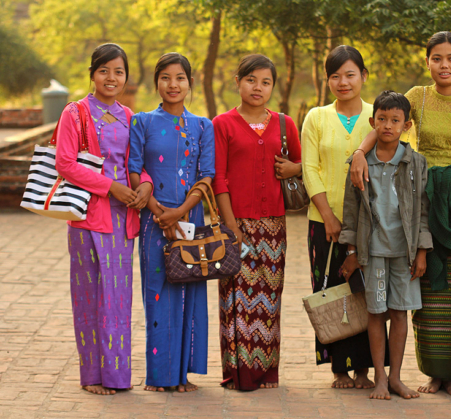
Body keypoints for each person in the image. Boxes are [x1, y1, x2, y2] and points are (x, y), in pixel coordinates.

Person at [350, 31, 451, 396]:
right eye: (437, 58)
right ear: (427, 61)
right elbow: (386, 125)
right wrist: (358, 154)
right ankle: (430, 372)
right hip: (419, 202)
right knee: (425, 294)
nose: (444, 65)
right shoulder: (418, 96)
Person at [56, 43, 153, 395]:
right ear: (92, 74)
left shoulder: (130, 117)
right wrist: (111, 187)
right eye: (104, 71)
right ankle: (93, 377)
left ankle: (117, 377)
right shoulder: (75, 112)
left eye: (119, 72)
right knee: (88, 298)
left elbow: (139, 163)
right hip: (86, 219)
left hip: (123, 221)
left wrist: (144, 185)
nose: (112, 78)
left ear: (126, 77)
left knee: (116, 300)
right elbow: (65, 164)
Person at [213, 54, 302, 391]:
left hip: (274, 227)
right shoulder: (222, 124)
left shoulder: (284, 123)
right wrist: (231, 225)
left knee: (269, 298)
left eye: (266, 82)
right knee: (235, 299)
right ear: (238, 81)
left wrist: (294, 169)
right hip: (236, 224)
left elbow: (300, 162)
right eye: (251, 80)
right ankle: (238, 373)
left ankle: (266, 371)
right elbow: (218, 178)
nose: (258, 88)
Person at [129, 52, 215, 393]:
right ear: (157, 83)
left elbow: (206, 174)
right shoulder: (142, 122)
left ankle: (182, 375)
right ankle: (159, 376)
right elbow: (134, 168)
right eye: (165, 77)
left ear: (190, 83)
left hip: (190, 221)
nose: (173, 84)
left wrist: (179, 213)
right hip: (153, 222)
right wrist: (158, 211)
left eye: (180, 78)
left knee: (188, 289)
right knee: (158, 294)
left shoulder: (202, 126)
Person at [339, 91, 432, 400]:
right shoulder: (359, 163)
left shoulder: (416, 163)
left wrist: (421, 250)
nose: (388, 125)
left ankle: (396, 378)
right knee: (376, 314)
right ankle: (379, 377)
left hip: (404, 253)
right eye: (382, 119)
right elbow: (350, 210)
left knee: (400, 313)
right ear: (372, 121)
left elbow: (422, 210)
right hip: (374, 252)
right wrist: (352, 252)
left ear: (406, 125)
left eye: (395, 120)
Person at [301, 45, 383, 390]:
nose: (343, 82)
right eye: (335, 76)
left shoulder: (378, 116)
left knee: (365, 292)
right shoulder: (316, 117)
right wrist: (328, 215)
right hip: (324, 220)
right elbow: (309, 168)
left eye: (350, 74)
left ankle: (364, 368)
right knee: (331, 290)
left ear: (364, 76)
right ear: (327, 80)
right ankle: (339, 368)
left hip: (371, 222)